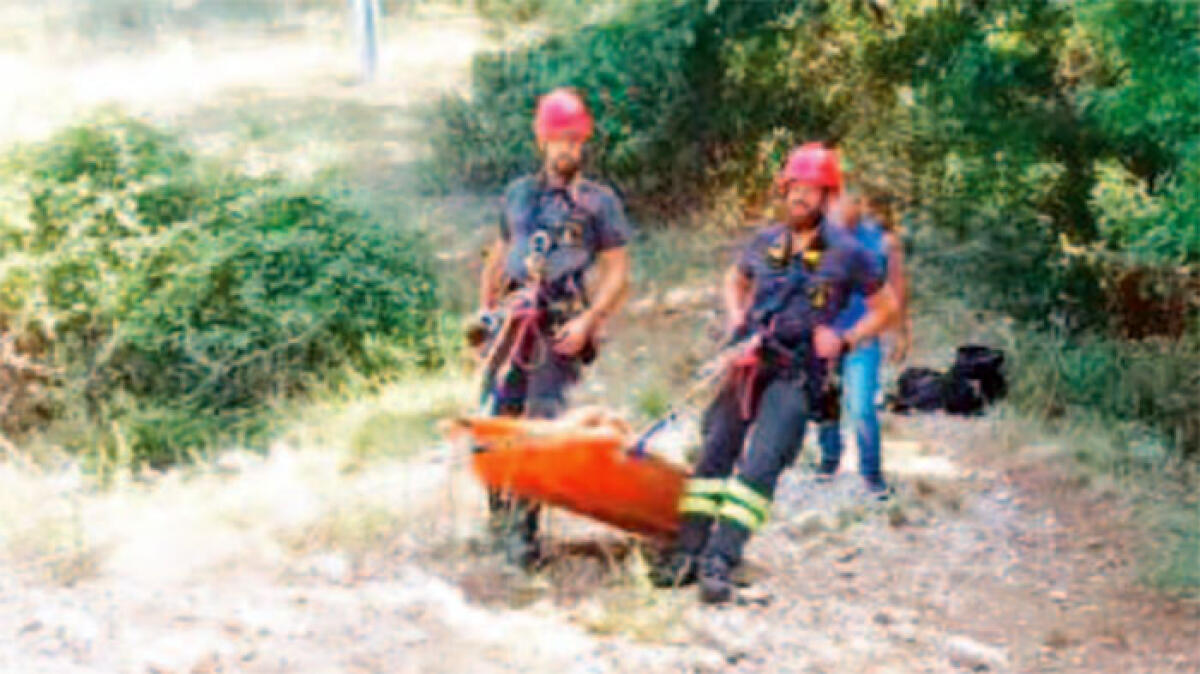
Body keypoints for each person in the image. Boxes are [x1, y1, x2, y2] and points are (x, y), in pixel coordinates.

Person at [650, 143, 897, 603]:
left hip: (797, 372)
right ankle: (686, 552)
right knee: (713, 456)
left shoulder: (848, 253)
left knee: (761, 465)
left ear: (827, 197)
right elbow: (735, 278)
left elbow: (887, 307)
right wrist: (735, 317)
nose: (800, 197)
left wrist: (844, 339)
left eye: (811, 190)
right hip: (748, 362)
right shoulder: (766, 242)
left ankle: (720, 560)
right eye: (794, 188)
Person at [474, 87, 632, 568]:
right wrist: (485, 315)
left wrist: (589, 320)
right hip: (513, 318)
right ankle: (500, 520)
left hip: (559, 323)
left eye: (575, 140)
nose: (568, 148)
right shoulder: (518, 194)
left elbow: (617, 272)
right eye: (559, 139)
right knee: (493, 421)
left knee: (540, 427)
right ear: (542, 140)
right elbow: (500, 255)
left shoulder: (599, 203)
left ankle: (523, 535)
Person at [814, 183, 911, 499]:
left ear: (861, 203)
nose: (843, 207)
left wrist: (902, 332)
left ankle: (871, 474)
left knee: (861, 405)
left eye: (850, 200)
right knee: (824, 400)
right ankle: (829, 459)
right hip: (826, 334)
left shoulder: (882, 241)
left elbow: (897, 290)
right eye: (837, 201)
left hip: (864, 335)